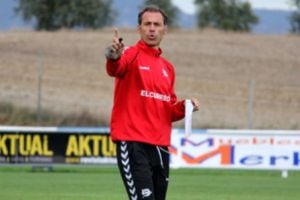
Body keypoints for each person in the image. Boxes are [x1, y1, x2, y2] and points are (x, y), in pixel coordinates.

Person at [105, 5, 200, 200]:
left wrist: (185, 107)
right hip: (133, 143)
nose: (152, 28)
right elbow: (115, 67)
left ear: (165, 30)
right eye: (147, 24)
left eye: (157, 24)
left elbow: (168, 110)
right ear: (138, 29)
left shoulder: (168, 68)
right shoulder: (130, 54)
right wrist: (113, 55)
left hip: (160, 146)